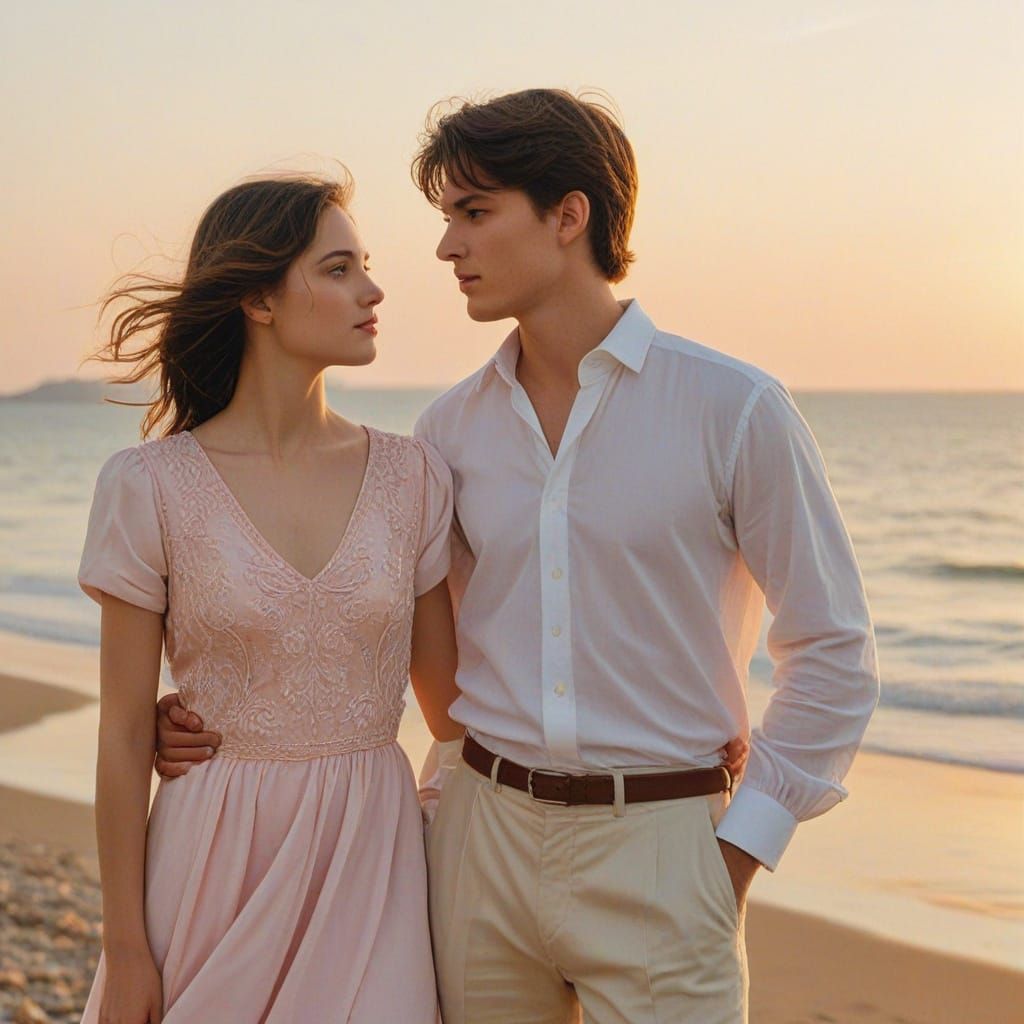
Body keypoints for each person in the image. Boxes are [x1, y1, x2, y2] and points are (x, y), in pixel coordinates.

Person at [158, 88, 877, 1024]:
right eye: (446, 217)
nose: (448, 246)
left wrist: (737, 851)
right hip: (479, 841)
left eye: (474, 212)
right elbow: (394, 635)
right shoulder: (449, 432)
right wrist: (200, 707)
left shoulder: (733, 408)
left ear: (568, 216)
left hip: (665, 845)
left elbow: (833, 648)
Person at [77, 173, 463, 1022]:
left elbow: (457, 715)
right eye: (337, 269)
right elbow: (121, 735)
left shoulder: (414, 477)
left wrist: (652, 720)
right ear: (258, 297)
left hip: (373, 862)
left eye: (364, 264)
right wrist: (126, 946)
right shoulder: (149, 487)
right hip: (211, 863)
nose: (372, 289)